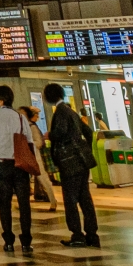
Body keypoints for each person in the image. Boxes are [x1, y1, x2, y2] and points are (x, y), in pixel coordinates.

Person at [0, 85, 38, 254]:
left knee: (4, 204)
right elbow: (30, 142)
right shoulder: (21, 118)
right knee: (24, 204)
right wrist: (31, 165)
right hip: (20, 165)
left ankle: (8, 241)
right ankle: (26, 242)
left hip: (2, 165)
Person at [44, 83, 99, 248]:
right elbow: (88, 132)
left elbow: (60, 132)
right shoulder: (71, 111)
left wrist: (50, 135)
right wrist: (84, 149)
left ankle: (77, 234)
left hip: (69, 163)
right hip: (82, 162)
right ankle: (91, 233)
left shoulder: (60, 112)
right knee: (85, 199)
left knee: (70, 199)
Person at [20, 106, 58, 207]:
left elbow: (39, 142)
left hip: (34, 157)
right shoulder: (19, 127)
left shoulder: (31, 127)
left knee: (43, 179)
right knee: (22, 182)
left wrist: (27, 144)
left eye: (23, 113)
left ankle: (53, 201)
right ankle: (23, 204)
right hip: (24, 157)